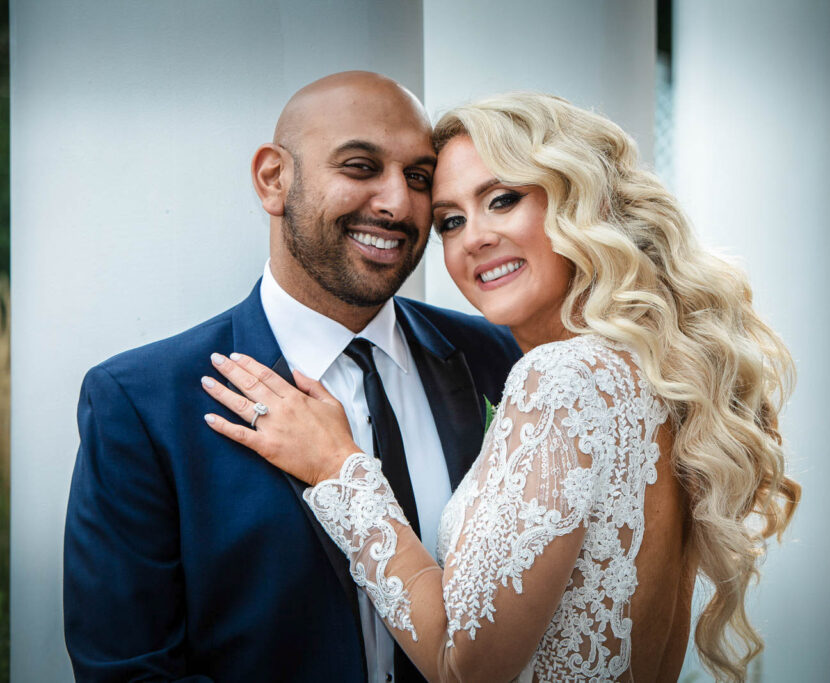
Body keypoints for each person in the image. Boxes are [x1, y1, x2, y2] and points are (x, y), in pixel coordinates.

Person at [201, 92, 801, 682]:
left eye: (503, 200)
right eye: (451, 221)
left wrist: (339, 469)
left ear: (582, 202)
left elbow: (464, 667)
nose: (474, 238)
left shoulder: (562, 379)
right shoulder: (654, 373)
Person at [63, 72, 521, 682]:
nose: (398, 203)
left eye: (418, 177)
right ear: (273, 179)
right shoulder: (142, 402)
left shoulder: (502, 358)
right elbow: (129, 671)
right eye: (361, 167)